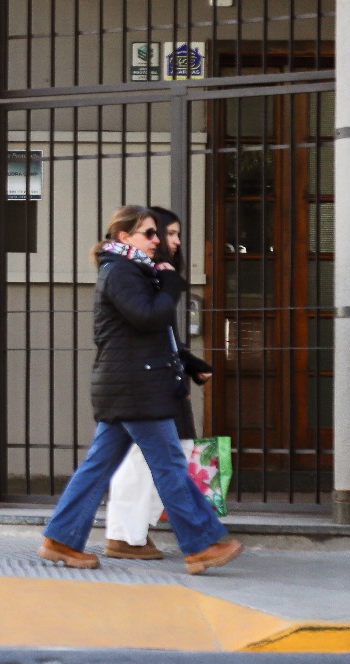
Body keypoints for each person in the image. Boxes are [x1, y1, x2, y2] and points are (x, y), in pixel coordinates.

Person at [37, 205, 242, 575]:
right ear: (123, 237)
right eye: (148, 233)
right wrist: (173, 287)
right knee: (170, 466)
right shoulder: (119, 272)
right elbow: (147, 316)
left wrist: (187, 360)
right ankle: (201, 545)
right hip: (135, 387)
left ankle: (60, 540)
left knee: (98, 467)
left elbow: (148, 332)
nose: (157, 240)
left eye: (156, 233)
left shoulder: (132, 271)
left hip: (130, 385)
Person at [102, 207, 214, 560]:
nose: (174, 241)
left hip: (160, 377)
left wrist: (188, 361)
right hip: (143, 382)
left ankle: (136, 533)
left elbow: (162, 333)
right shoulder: (134, 274)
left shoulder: (153, 274)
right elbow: (145, 323)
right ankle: (125, 535)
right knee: (140, 459)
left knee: (173, 453)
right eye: (169, 234)